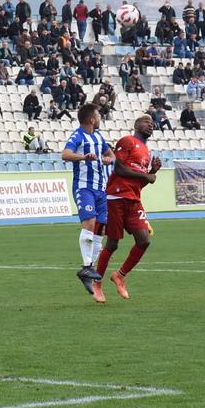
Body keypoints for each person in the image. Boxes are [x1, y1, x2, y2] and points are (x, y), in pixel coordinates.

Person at [91, 115, 161, 304]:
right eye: (147, 123)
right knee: (112, 243)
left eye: (152, 124)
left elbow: (138, 183)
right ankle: (96, 283)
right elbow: (120, 169)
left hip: (133, 199)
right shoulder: (127, 141)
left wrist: (151, 173)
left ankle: (120, 275)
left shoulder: (146, 152)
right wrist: (147, 176)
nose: (151, 125)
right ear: (136, 125)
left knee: (144, 240)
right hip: (116, 197)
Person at [61, 103, 115, 294]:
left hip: (101, 189)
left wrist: (109, 158)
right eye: (98, 115)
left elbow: (111, 154)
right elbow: (65, 154)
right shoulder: (78, 136)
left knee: (100, 229)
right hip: (85, 188)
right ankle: (86, 266)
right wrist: (83, 157)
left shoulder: (99, 137)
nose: (100, 117)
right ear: (92, 119)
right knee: (89, 223)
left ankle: (88, 269)